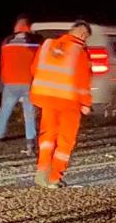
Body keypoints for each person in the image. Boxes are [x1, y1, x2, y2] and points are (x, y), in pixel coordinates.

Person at [30, 21, 93, 189]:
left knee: (47, 137)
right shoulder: (79, 51)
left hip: (46, 97)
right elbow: (82, 81)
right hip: (68, 101)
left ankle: (42, 171)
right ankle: (54, 177)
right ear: (82, 35)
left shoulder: (48, 45)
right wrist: (86, 103)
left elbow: (34, 69)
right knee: (65, 140)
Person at [0, 15, 42, 156]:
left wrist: (5, 79)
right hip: (29, 83)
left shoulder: (6, 41)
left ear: (16, 27)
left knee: (5, 112)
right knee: (29, 114)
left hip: (11, 82)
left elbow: (3, 63)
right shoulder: (36, 41)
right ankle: (31, 144)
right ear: (28, 27)